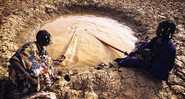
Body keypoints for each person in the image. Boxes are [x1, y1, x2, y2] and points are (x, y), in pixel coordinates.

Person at [6, 30, 57, 98]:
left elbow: (46, 59)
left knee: (47, 66)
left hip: (28, 74)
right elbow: (13, 60)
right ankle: (21, 88)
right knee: (36, 74)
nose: (49, 41)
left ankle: (36, 85)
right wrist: (28, 76)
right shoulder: (30, 47)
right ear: (43, 39)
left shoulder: (42, 50)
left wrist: (55, 60)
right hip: (19, 74)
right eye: (47, 38)